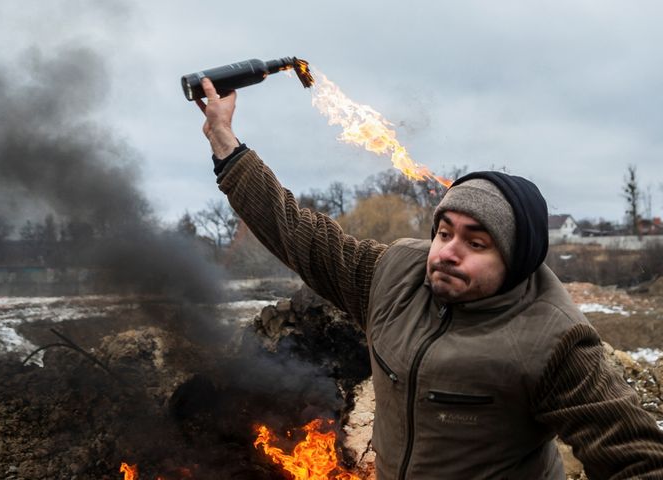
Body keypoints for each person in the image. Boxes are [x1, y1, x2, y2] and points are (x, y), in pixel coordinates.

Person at [193, 77, 663, 479]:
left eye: (476, 243)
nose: (448, 253)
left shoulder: (554, 338)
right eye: (443, 233)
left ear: (517, 259)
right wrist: (224, 142)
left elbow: (636, 460)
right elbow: (298, 234)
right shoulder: (396, 274)